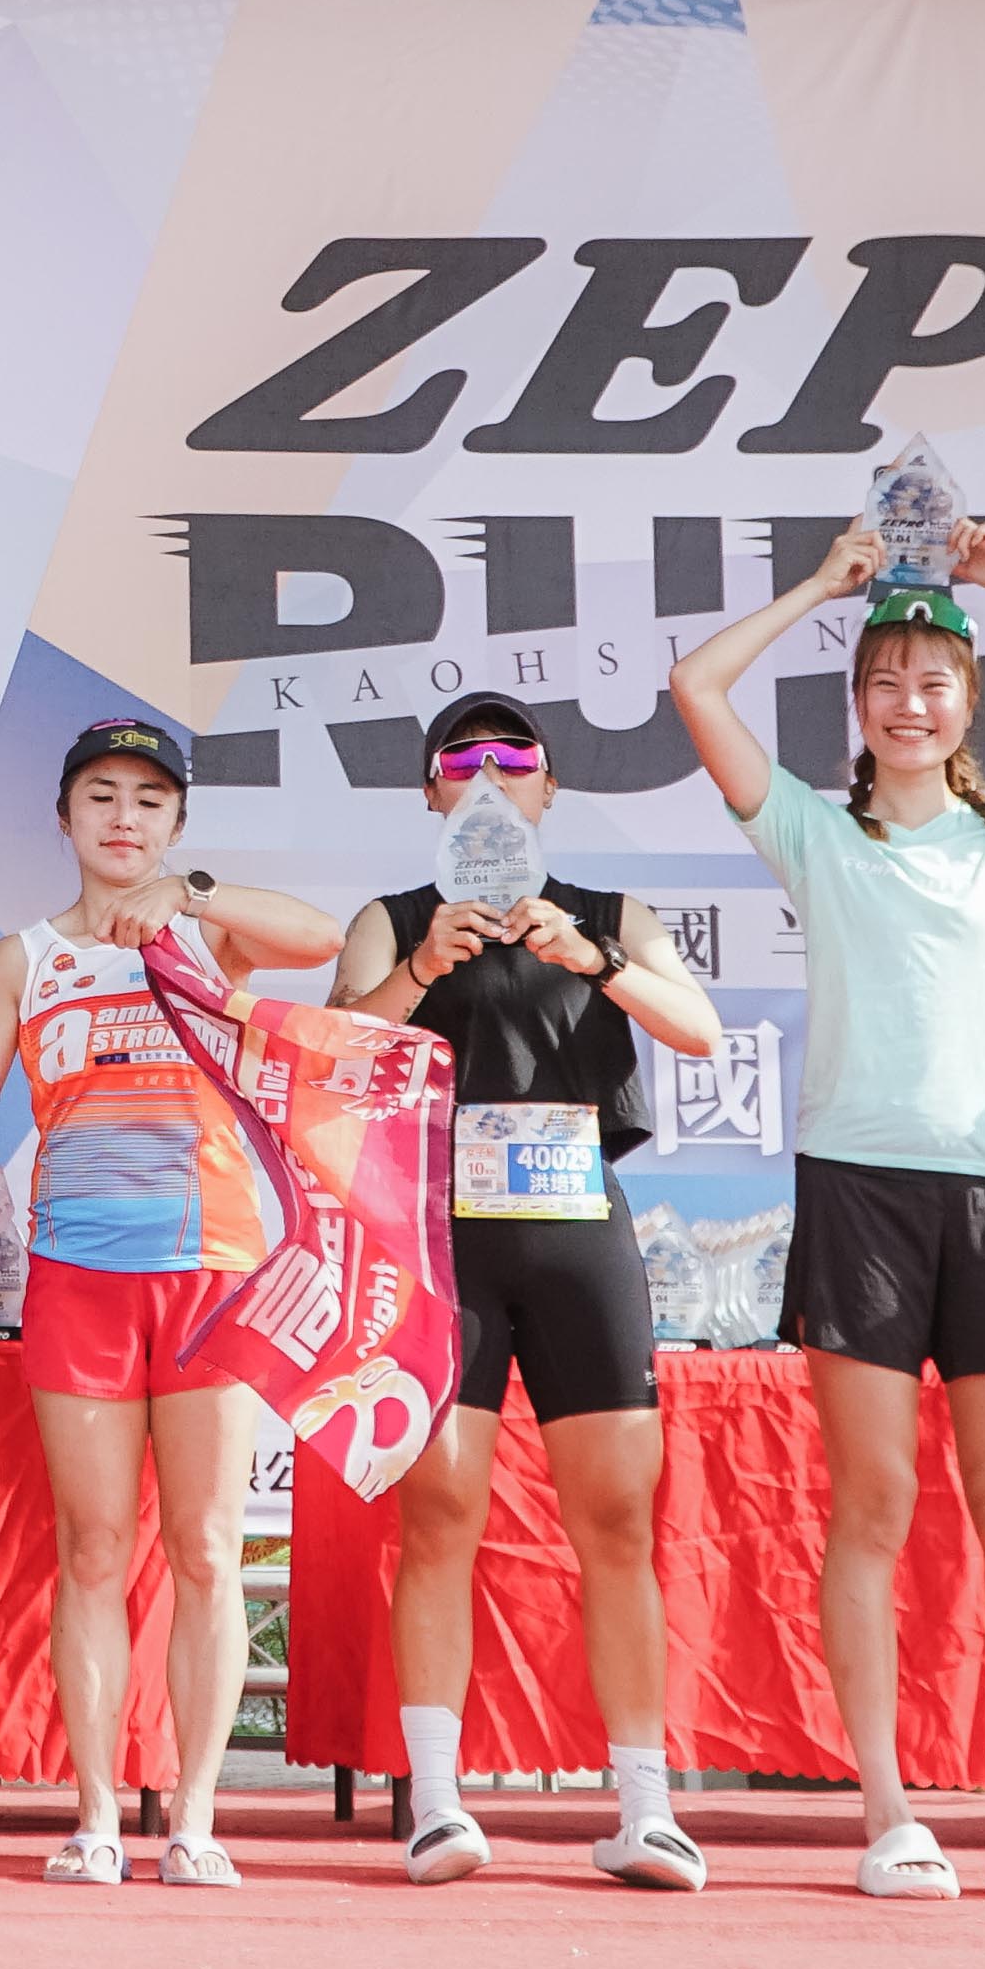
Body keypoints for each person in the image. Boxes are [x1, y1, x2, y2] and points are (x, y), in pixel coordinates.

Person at [664, 514, 985, 1902]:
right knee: (876, 1501)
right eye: (885, 681)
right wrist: (820, 586)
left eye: (935, 682)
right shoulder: (814, 832)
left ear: (967, 703)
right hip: (858, 1188)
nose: (910, 703)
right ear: (857, 704)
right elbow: (697, 688)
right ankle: (888, 1810)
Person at [0, 719, 341, 1889]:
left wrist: (188, 895)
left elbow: (321, 937)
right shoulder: (25, 958)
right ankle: (97, 1814)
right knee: (94, 1547)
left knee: (207, 1545)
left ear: (177, 824)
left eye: (149, 801)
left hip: (212, 1269)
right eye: (100, 794)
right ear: (63, 816)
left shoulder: (212, 934)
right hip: (77, 1278)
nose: (123, 818)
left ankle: (196, 1817)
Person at [326, 691, 725, 1892]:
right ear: (432, 793)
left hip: (576, 1226)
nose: (490, 776)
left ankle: (646, 1807)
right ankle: (437, 1804)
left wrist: (596, 961)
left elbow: (698, 1030)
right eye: (464, 760)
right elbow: (335, 1053)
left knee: (617, 1518)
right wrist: (418, 971)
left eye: (516, 759)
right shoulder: (393, 920)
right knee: (440, 1515)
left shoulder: (610, 915)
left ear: (550, 790)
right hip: (442, 1239)